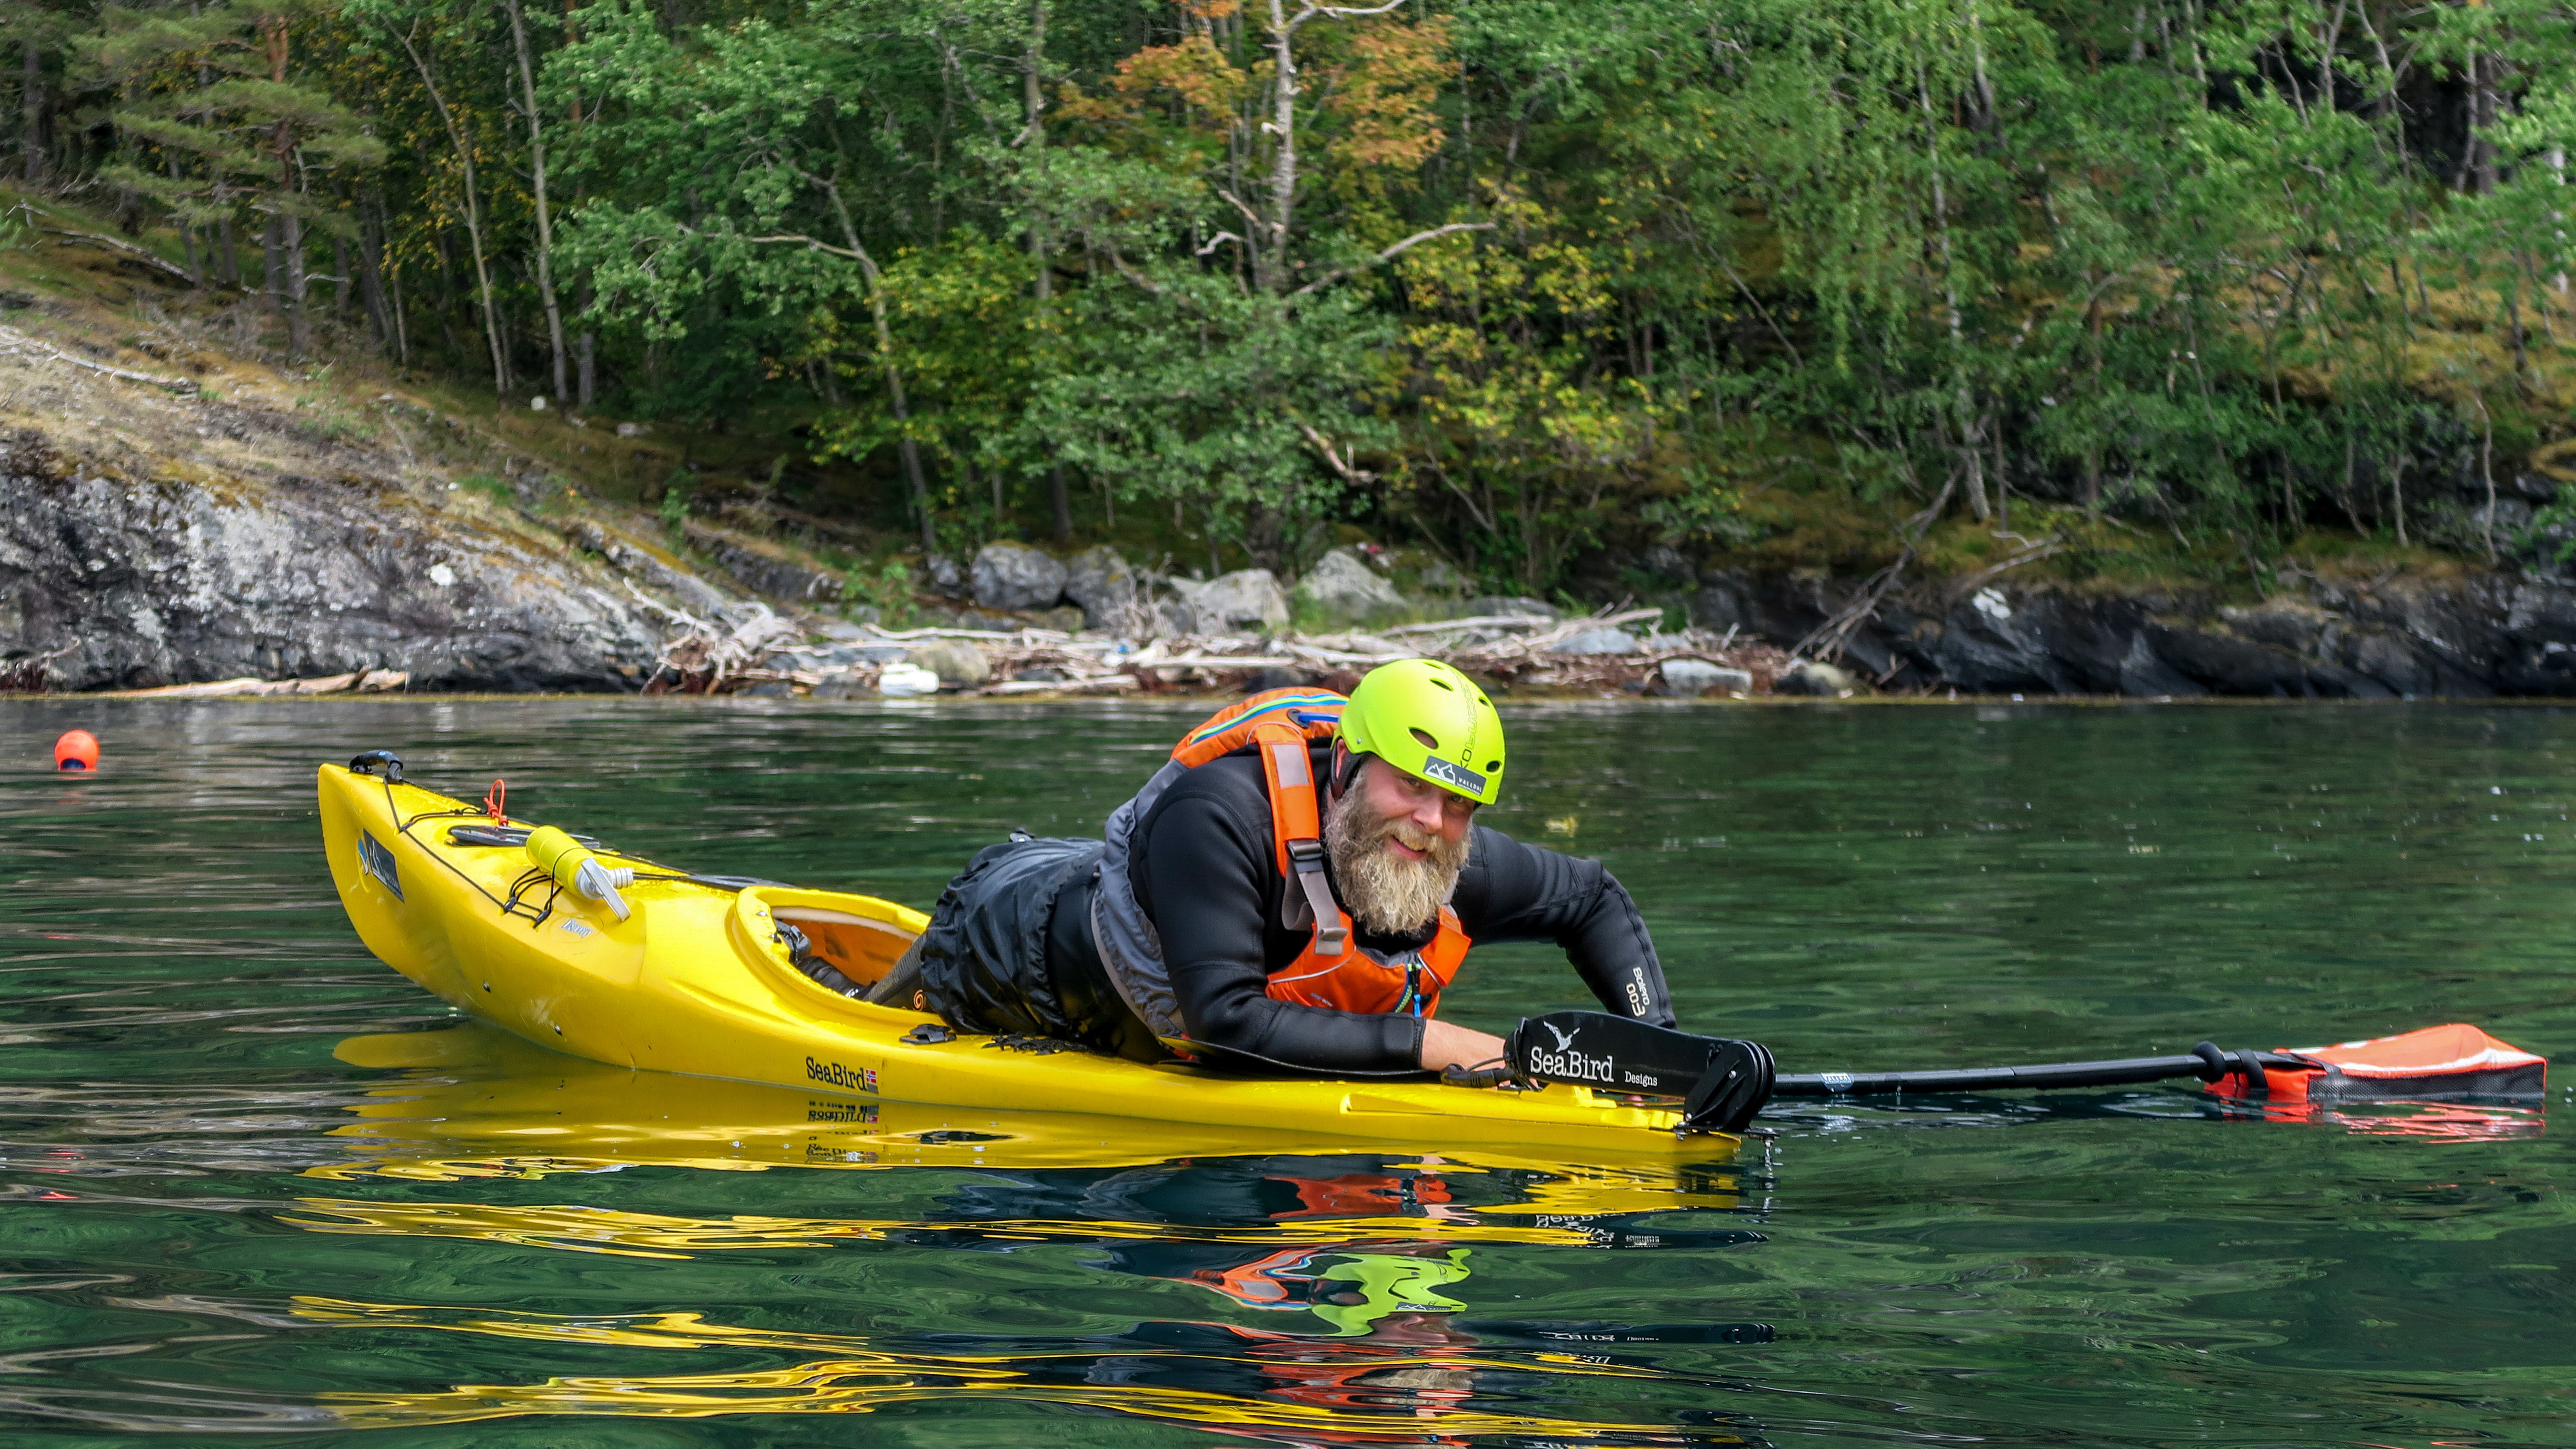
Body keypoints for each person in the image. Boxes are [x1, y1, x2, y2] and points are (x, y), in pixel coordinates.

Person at [834, 659, 1677, 1074]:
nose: (1431, 823)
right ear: (1348, 763)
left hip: (1151, 918)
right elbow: (1224, 1026)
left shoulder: (1438, 846)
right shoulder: (1220, 814)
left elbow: (1592, 900)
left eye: (1459, 805)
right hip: (1002, 945)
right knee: (864, 1020)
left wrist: (1661, 1059)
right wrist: (1439, 1044)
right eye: (1413, 788)